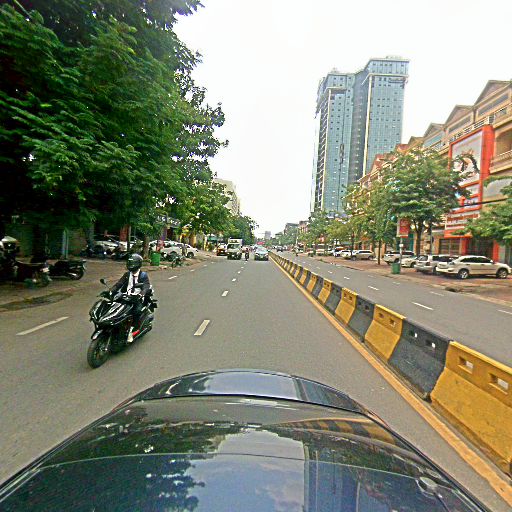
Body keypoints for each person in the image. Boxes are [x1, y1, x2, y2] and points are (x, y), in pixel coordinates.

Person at [111, 254, 150, 343]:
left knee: (136, 311)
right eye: (130, 263)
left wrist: (142, 293)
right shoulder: (127, 274)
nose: (131, 265)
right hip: (126, 296)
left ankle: (131, 331)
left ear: (138, 264)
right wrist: (111, 290)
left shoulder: (143, 275)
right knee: (115, 307)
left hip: (137, 298)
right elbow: (119, 284)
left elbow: (146, 286)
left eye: (133, 263)